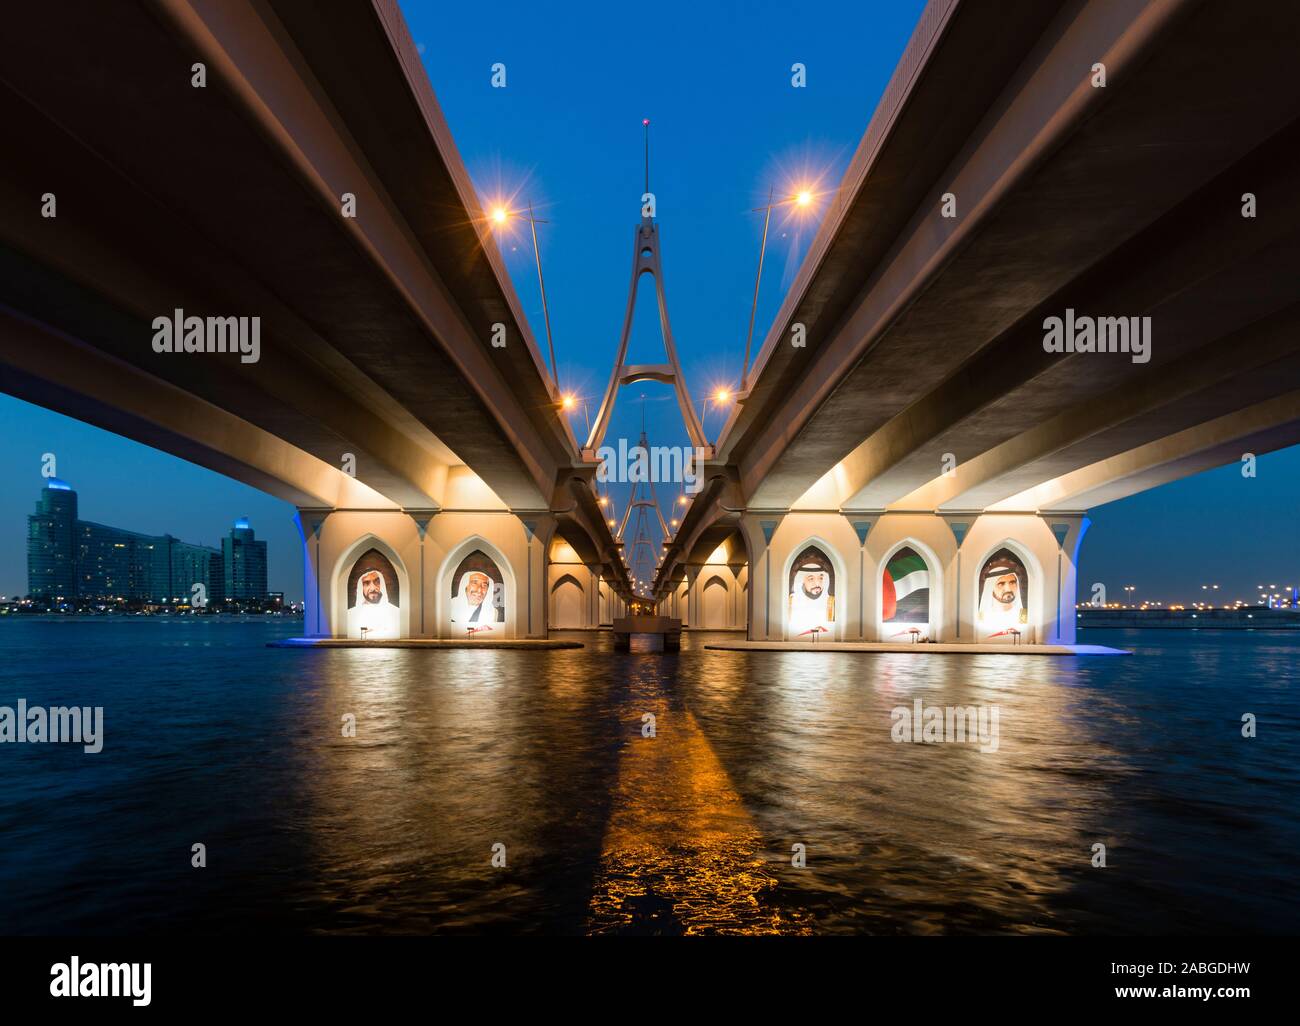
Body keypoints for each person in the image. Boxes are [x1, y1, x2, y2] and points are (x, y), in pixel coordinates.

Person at [978, 557, 1027, 638]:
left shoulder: (1022, 616)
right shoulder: (984, 617)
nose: (1008, 589)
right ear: (991, 588)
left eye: (1012, 582)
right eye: (1001, 584)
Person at [346, 569, 400, 639]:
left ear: (382, 585)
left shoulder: (395, 611)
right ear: (361, 588)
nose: (373, 588)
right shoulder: (350, 614)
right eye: (366, 583)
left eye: (377, 582)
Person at [789, 561, 834, 637]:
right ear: (802, 581)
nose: (817, 584)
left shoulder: (831, 603)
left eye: (821, 578)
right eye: (811, 579)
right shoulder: (792, 602)